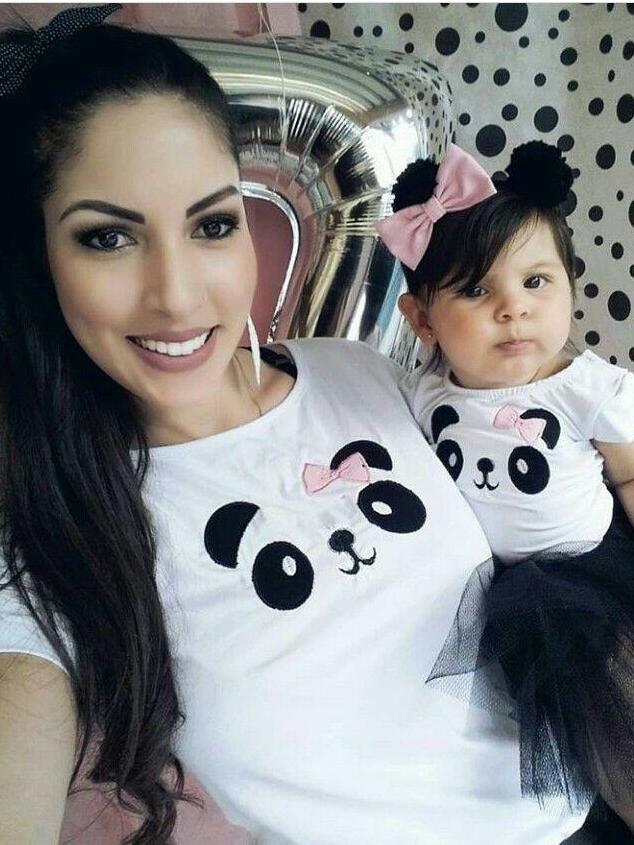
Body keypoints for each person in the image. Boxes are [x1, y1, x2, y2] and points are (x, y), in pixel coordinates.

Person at [0, 6, 598, 844]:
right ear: (39, 257)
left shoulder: (359, 372)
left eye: (213, 224)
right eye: (107, 238)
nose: (177, 294)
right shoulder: (55, 527)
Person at [377, 141, 634, 834]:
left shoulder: (587, 387)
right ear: (421, 319)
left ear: (570, 286)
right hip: (504, 601)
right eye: (476, 290)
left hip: (595, 580)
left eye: (536, 281)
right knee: (575, 746)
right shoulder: (422, 395)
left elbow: (630, 471)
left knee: (624, 714)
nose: (513, 308)